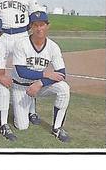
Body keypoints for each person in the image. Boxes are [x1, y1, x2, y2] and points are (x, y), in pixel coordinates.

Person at [12, 11, 70, 142]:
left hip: (39, 86)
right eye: (35, 25)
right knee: (22, 126)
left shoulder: (53, 47)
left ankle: (57, 127)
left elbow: (61, 73)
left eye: (42, 24)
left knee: (63, 88)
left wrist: (40, 83)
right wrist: (45, 74)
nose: (39, 28)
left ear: (47, 26)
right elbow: (22, 72)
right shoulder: (21, 44)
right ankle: (28, 108)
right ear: (31, 26)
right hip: (21, 87)